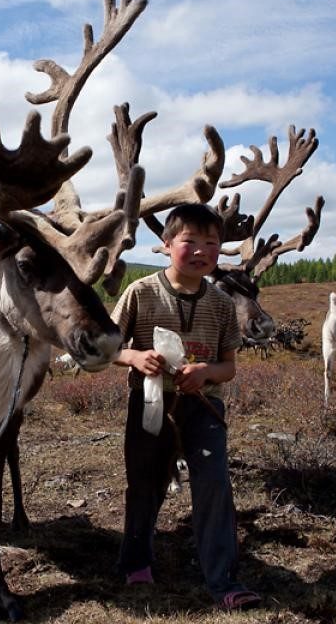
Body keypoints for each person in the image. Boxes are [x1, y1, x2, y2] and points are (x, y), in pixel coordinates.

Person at [109, 202, 262, 611]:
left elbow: (229, 367)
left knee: (213, 485)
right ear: (166, 244)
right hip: (150, 406)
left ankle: (224, 581)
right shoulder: (140, 293)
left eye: (211, 242)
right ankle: (136, 561)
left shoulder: (221, 305)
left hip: (204, 408)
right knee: (145, 486)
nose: (201, 251)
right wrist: (135, 358)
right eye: (189, 241)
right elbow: (108, 347)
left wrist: (206, 372)